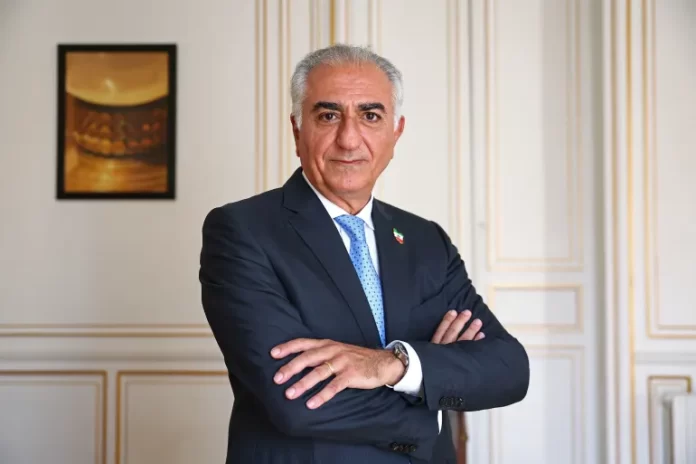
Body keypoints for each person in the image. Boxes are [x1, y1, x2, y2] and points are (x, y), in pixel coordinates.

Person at [199, 44, 529, 464]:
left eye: (370, 116)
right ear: (297, 130)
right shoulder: (242, 231)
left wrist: (395, 364)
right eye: (328, 116)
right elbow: (298, 401)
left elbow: (509, 369)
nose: (349, 139)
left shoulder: (426, 240)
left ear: (396, 132)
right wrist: (433, 405)